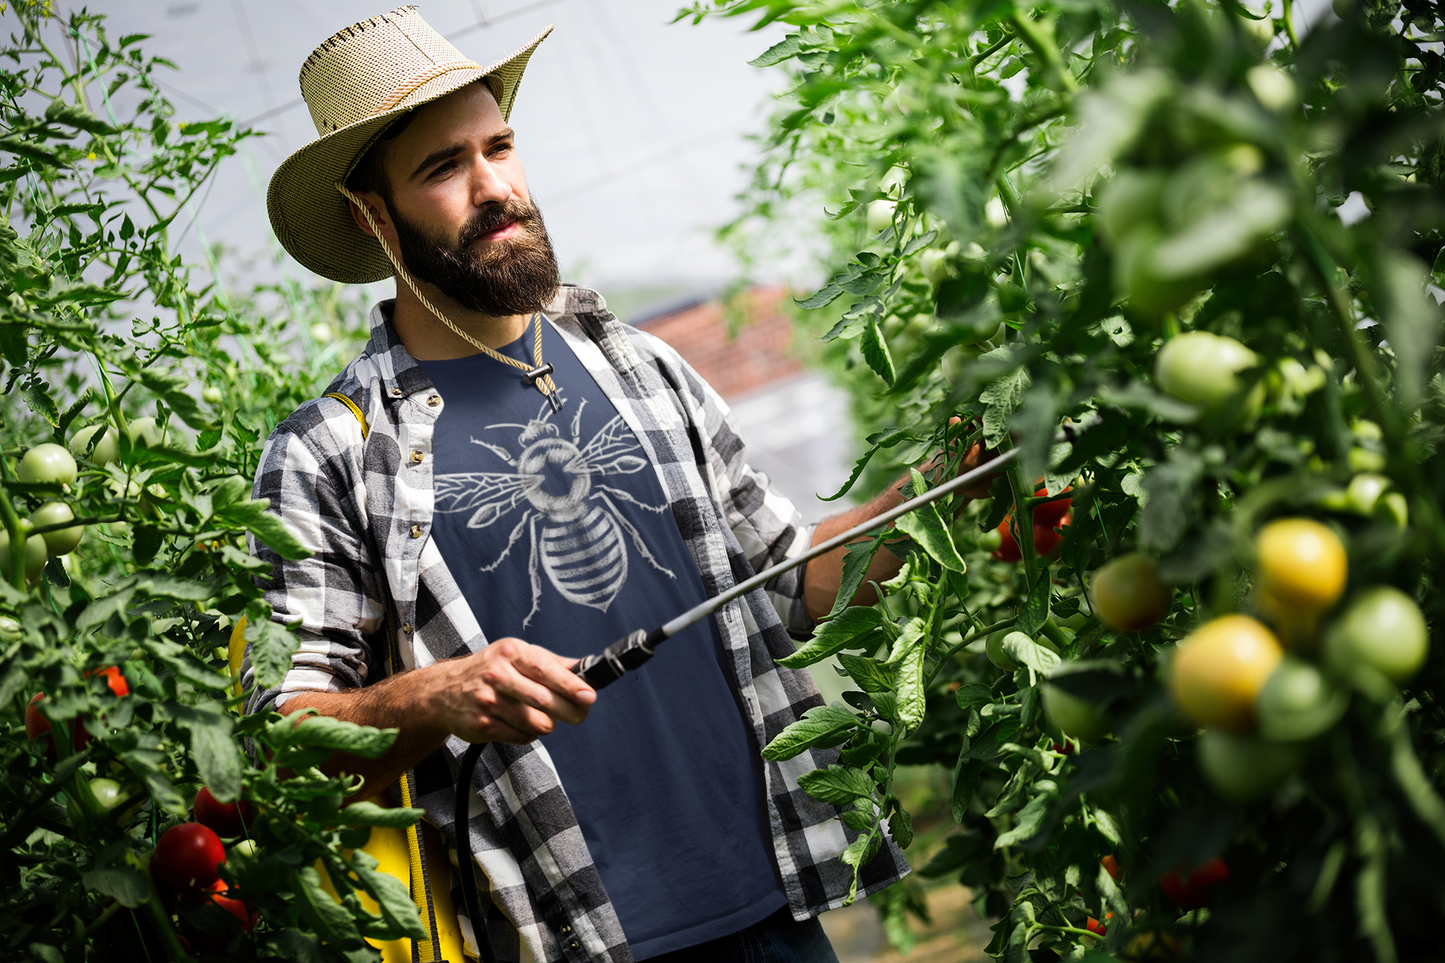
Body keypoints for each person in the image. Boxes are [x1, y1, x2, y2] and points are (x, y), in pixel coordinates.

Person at [249, 7, 987, 962]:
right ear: (370, 215)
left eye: (499, 146)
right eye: (443, 167)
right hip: (574, 939)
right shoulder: (331, 454)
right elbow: (283, 732)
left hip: (774, 906)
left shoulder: (637, 363)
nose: (494, 188)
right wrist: (433, 694)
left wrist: (942, 487)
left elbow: (789, 582)